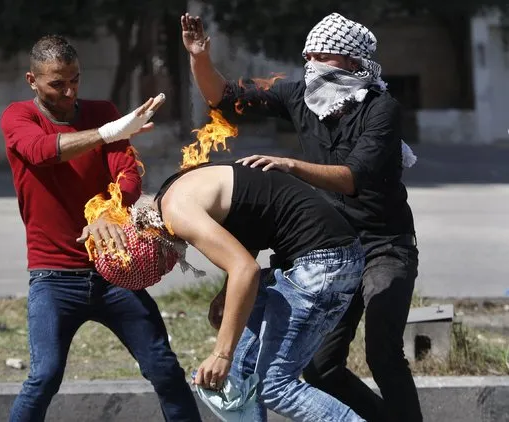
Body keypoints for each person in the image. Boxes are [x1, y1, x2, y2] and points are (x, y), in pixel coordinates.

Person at [181, 11, 422, 422]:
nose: (312, 66)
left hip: (385, 247)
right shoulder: (301, 95)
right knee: (321, 366)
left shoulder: (381, 109)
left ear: (351, 62)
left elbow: (352, 178)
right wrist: (199, 56)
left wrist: (290, 166)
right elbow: (223, 96)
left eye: (322, 57)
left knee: (383, 352)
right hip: (333, 250)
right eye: (308, 56)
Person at [0, 34, 202, 422]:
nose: (69, 90)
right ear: (32, 81)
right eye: (57, 83)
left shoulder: (101, 111)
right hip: (53, 277)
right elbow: (43, 152)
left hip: (113, 273)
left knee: (164, 368)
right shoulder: (18, 116)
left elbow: (127, 175)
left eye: (75, 79)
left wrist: (109, 211)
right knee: (43, 377)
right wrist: (110, 131)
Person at [98, 160, 367, 421]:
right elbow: (252, 220)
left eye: (166, 264)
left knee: (274, 386)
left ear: (154, 247)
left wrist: (221, 353)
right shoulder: (172, 192)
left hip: (325, 262)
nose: (177, 260)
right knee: (237, 376)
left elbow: (245, 270)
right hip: (309, 258)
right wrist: (227, 293)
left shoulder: (176, 213)